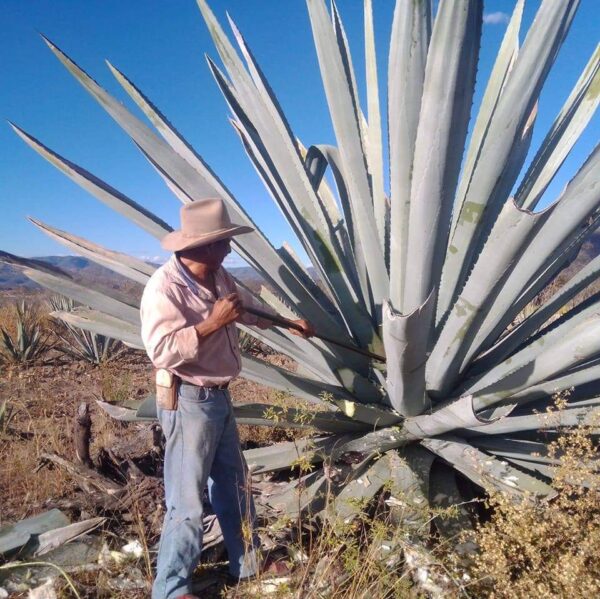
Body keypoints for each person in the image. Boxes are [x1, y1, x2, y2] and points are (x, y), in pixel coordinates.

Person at [140, 198, 314, 599]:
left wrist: (289, 325)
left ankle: (247, 564)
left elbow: (248, 310)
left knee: (234, 484)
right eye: (223, 243)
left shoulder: (218, 278)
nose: (229, 249)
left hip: (217, 396)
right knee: (186, 500)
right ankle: (170, 589)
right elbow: (161, 351)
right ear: (201, 246)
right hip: (188, 400)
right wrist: (211, 325)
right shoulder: (164, 288)